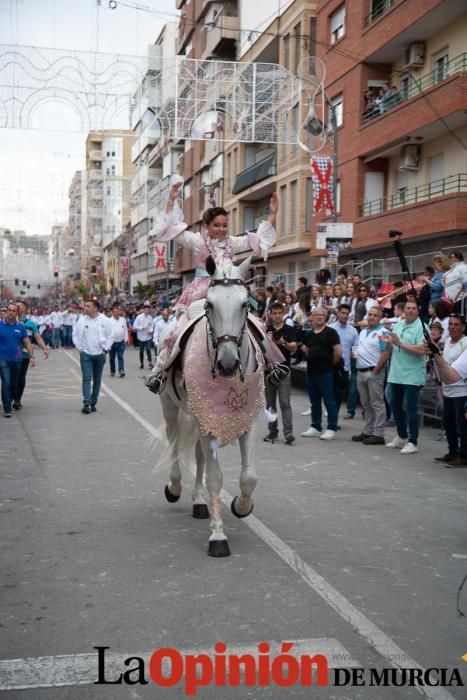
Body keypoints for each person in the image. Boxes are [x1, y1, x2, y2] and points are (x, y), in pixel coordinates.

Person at [145, 182, 285, 395]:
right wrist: (171, 200)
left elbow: (258, 239)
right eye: (216, 225)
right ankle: (160, 371)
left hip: (229, 293)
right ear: (207, 226)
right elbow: (172, 231)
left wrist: (273, 215)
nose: (221, 229)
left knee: (257, 324)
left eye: (224, 225)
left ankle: (271, 364)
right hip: (201, 293)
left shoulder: (233, 243)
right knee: (175, 330)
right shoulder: (197, 241)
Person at [385, 301, 427, 454]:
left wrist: (400, 343)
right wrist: (388, 342)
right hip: (396, 373)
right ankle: (402, 435)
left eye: (413, 308)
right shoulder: (400, 323)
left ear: (418, 310)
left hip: (412, 374)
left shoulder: (422, 327)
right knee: (394, 404)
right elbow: (393, 343)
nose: (410, 311)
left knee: (410, 408)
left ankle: (413, 441)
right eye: (408, 308)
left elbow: (422, 349)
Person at [300, 307, 341, 440]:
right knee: (314, 401)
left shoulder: (331, 332)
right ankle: (316, 426)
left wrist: (329, 364)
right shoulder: (309, 333)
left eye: (322, 315)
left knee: (330, 401)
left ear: (326, 318)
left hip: (326, 372)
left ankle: (331, 428)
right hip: (311, 372)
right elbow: (305, 348)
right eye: (316, 314)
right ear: (312, 317)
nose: (319, 317)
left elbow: (337, 352)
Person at [351, 306, 390, 445]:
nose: (372, 317)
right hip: (361, 371)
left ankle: (378, 434)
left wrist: (375, 371)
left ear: (380, 317)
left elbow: (385, 354)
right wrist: (355, 354)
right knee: (366, 404)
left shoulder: (383, 332)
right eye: (370, 314)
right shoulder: (363, 332)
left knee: (377, 403)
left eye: (375, 315)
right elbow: (358, 349)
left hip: (374, 372)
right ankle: (368, 430)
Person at [432, 314, 467, 467]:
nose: (452, 327)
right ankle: (452, 452)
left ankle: (464, 456)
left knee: (462, 425)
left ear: (463, 327)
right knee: (447, 422)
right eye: (450, 324)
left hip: (461, 391)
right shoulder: (446, 343)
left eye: (456, 324)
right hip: (447, 389)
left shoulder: (465, 343)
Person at [264, 302, 297, 444]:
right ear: (270, 314)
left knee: (285, 402)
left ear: (283, 313)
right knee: (270, 404)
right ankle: (272, 432)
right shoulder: (265, 330)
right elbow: (261, 349)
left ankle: (288, 432)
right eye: (274, 313)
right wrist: (268, 340)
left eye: (279, 313)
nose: (277, 316)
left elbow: (294, 347)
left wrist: (282, 342)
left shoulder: (289, 329)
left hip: (284, 370)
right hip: (269, 370)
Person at [72, 299, 113, 414]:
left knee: (97, 379)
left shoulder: (105, 320)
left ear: (95, 308)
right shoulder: (82, 320)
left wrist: (106, 350)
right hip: (86, 355)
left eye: (88, 306)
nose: (85, 308)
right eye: (85, 306)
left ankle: (93, 402)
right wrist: (79, 347)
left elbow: (111, 336)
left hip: (100, 354)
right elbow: (75, 334)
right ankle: (86, 403)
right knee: (86, 378)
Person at [0, 303, 34, 417]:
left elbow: (28, 343)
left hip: (16, 359)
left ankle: (10, 400)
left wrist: (32, 356)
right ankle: (7, 408)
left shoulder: (20, 327)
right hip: (3, 359)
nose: (10, 312)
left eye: (14, 310)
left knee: (15, 384)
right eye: (9, 310)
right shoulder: (0, 325)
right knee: (6, 383)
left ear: (17, 313)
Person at [13, 301, 49, 409]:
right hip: (10, 355)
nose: (16, 308)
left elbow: (37, 337)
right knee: (9, 378)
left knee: (21, 378)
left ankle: (17, 399)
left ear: (24, 309)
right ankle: (9, 398)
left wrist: (44, 348)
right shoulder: (10, 322)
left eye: (18, 306)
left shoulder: (30, 324)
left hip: (24, 355)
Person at [329, 303, 358, 420]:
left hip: (345, 368)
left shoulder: (353, 331)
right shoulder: (330, 328)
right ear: (338, 313)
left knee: (339, 395)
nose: (345, 315)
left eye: (347, 313)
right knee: (329, 394)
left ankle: (333, 417)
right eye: (343, 313)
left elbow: (356, 349)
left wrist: (355, 355)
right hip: (330, 366)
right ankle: (332, 416)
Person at [108, 303, 128, 377]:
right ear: (112, 313)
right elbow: (106, 332)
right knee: (112, 358)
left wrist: (126, 340)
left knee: (120, 357)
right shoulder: (109, 321)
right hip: (112, 343)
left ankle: (121, 370)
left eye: (118, 311)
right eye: (115, 312)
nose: (117, 313)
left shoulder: (123, 320)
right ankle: (112, 371)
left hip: (121, 342)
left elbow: (125, 330)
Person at [133, 302, 155, 370]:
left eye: (148, 310)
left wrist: (151, 331)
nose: (147, 311)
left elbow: (152, 326)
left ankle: (150, 363)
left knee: (148, 349)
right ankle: (141, 363)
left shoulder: (150, 317)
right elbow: (134, 326)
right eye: (146, 310)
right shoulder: (139, 317)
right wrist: (142, 327)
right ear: (143, 310)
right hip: (141, 337)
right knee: (141, 351)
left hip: (148, 337)